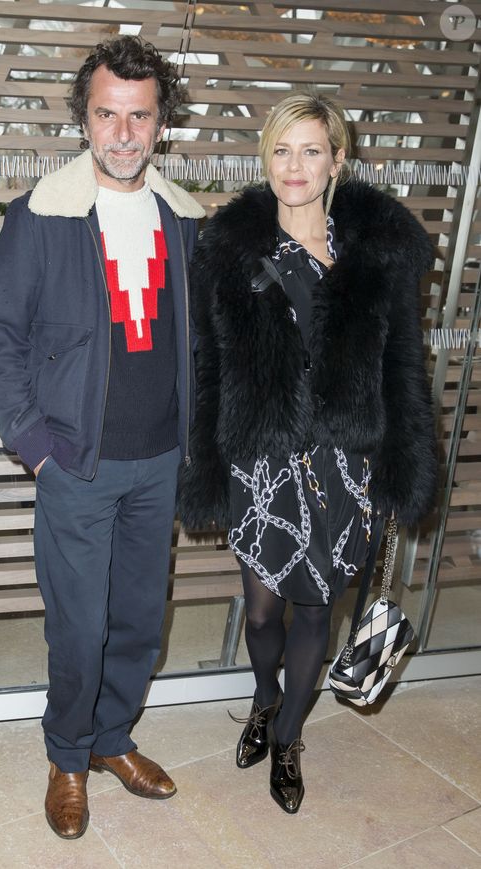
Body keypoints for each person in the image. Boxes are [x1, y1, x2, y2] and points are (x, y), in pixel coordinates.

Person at [178, 92, 437, 815]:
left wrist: (399, 467)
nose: (296, 166)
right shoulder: (229, 250)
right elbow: (208, 366)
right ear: (266, 157)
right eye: (283, 150)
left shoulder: (376, 255)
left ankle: (288, 734)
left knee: (317, 611)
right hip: (262, 459)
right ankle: (265, 698)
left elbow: (403, 368)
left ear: (338, 159)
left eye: (312, 149)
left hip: (347, 461)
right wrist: (206, 460)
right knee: (263, 613)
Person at [0, 35, 204, 839]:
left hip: (161, 461)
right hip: (77, 462)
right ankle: (67, 754)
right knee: (81, 622)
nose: (122, 132)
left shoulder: (185, 220)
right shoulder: (40, 216)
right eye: (107, 113)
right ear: (85, 118)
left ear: (161, 122)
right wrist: (35, 444)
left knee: (141, 617)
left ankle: (112, 738)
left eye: (138, 116)